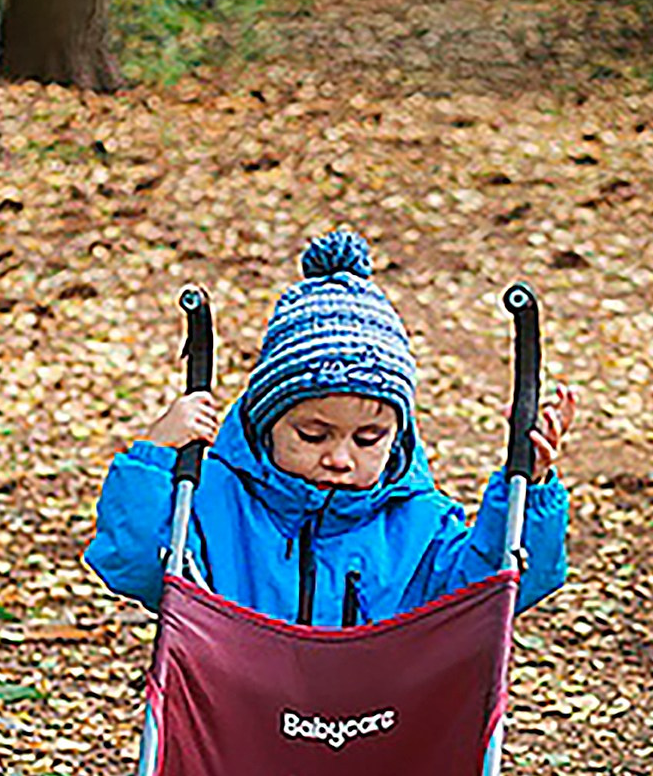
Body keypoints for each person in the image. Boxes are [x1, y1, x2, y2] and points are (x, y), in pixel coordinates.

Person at [86, 228, 576, 623]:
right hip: (235, 708)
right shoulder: (215, 503)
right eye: (313, 436)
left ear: (398, 437)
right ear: (266, 424)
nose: (339, 458)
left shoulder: (417, 526)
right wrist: (155, 457)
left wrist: (528, 490)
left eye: (368, 439)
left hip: (379, 711)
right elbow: (137, 565)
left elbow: (497, 588)